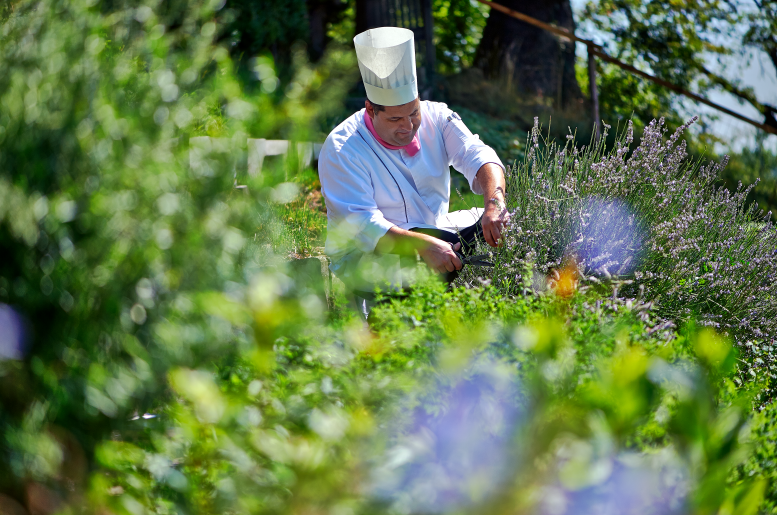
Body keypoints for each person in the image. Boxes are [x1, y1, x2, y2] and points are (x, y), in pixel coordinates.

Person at [318, 27, 507, 312]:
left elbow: (479, 156)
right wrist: (421, 245)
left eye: (413, 113)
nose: (408, 127)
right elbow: (363, 225)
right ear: (370, 109)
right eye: (395, 119)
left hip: (436, 231)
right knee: (428, 257)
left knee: (503, 225)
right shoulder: (342, 147)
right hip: (365, 252)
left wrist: (495, 204)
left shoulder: (438, 117)